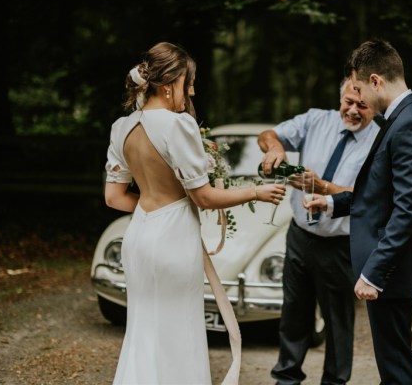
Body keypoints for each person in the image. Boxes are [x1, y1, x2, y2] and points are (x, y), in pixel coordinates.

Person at [104, 41, 285, 385]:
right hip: (172, 243)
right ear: (168, 83)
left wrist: (150, 211)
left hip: (138, 240)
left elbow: (114, 197)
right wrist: (256, 192)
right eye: (188, 82)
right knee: (180, 334)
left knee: (142, 332)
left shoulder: (121, 127)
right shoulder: (179, 126)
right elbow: (202, 197)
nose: (192, 90)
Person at [305, 39, 412, 384]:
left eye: (358, 88)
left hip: (395, 269)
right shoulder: (401, 119)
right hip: (392, 266)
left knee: (395, 363)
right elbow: (379, 194)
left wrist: (374, 272)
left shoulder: (411, 124)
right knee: (392, 361)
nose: (357, 98)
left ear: (375, 80)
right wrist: (330, 202)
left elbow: (408, 208)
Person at [258, 78, 380, 385]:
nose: (352, 111)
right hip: (300, 235)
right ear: (340, 97)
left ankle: (335, 382)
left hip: (342, 244)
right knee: (294, 313)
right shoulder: (315, 120)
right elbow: (268, 134)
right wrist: (276, 148)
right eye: (348, 102)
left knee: (339, 322)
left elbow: (370, 196)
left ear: (375, 107)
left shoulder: (381, 141)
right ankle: (286, 379)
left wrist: (323, 188)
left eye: (362, 106)